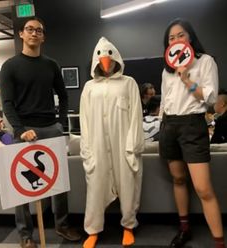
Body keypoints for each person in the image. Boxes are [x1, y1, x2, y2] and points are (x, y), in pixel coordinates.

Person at [0, 17, 81, 248]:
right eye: (30, 29)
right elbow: (7, 103)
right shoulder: (10, 66)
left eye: (39, 30)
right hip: (22, 131)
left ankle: (62, 225)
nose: (34, 33)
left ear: (43, 37)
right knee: (20, 188)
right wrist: (19, 129)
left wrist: (60, 123)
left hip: (50, 129)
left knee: (59, 183)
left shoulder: (51, 65)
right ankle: (26, 235)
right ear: (21, 34)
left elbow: (63, 96)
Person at [159, 18, 226, 248]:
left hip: (192, 125)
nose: (176, 40)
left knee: (203, 188)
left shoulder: (205, 61)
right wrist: (162, 125)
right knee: (178, 179)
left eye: (180, 35)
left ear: (190, 37)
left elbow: (210, 98)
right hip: (169, 126)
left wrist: (187, 79)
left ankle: (219, 242)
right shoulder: (166, 69)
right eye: (171, 37)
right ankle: (184, 228)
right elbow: (165, 100)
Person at [80, 37, 144, 248]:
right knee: (96, 187)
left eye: (109, 57)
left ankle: (128, 226)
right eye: (101, 58)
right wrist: (87, 149)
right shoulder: (89, 87)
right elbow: (85, 120)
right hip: (97, 145)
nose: (105, 63)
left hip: (123, 144)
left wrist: (133, 146)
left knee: (128, 185)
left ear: (116, 58)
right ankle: (93, 230)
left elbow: (136, 115)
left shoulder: (129, 83)